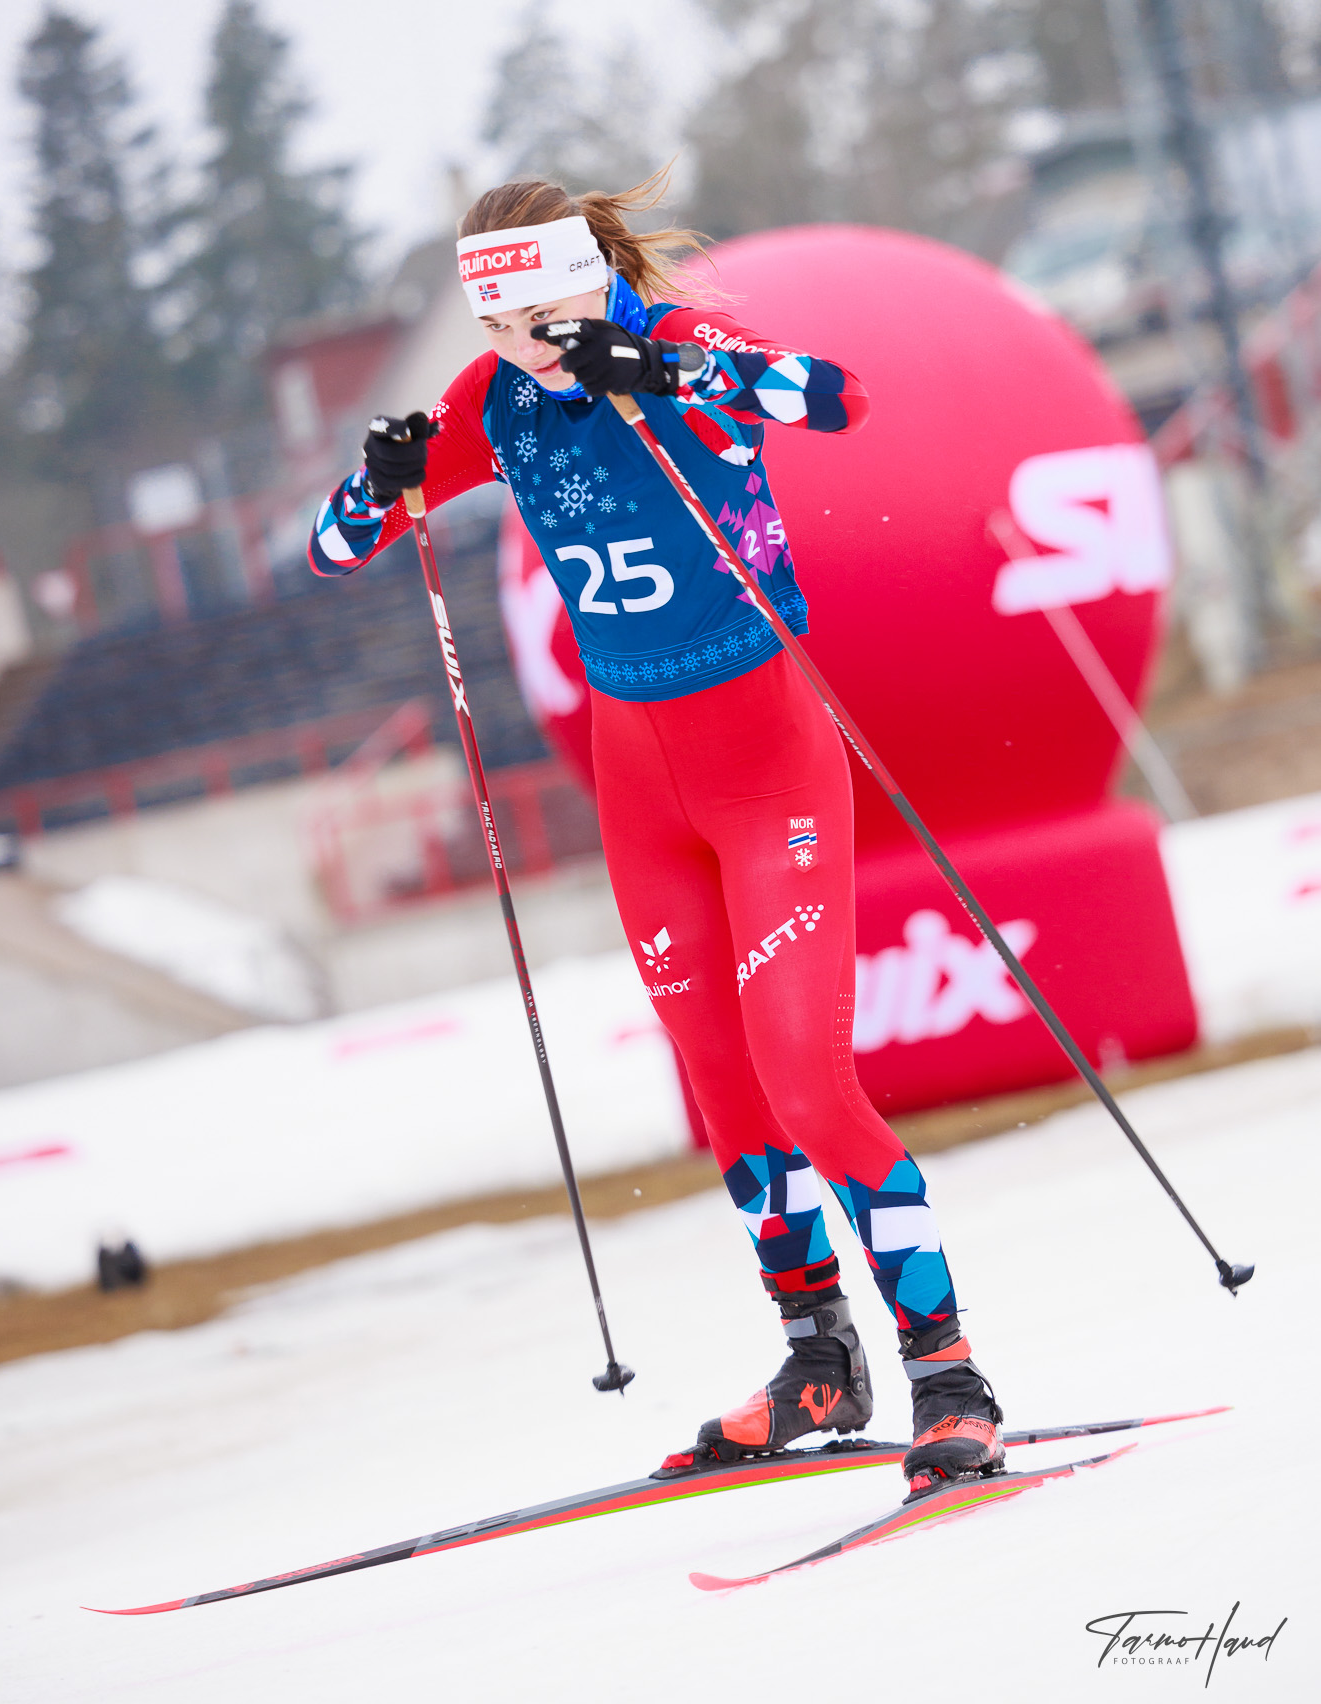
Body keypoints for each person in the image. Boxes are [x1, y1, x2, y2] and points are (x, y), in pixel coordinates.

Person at [309, 172, 1003, 1491]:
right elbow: (336, 550)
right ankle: (817, 1359)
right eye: (493, 321)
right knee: (727, 1096)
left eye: (539, 314)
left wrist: (667, 369)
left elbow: (834, 398)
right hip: (640, 789)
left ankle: (949, 1374)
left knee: (808, 1084)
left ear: (590, 280)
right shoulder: (494, 398)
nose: (521, 344)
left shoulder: (679, 344)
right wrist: (377, 479)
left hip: (768, 775)